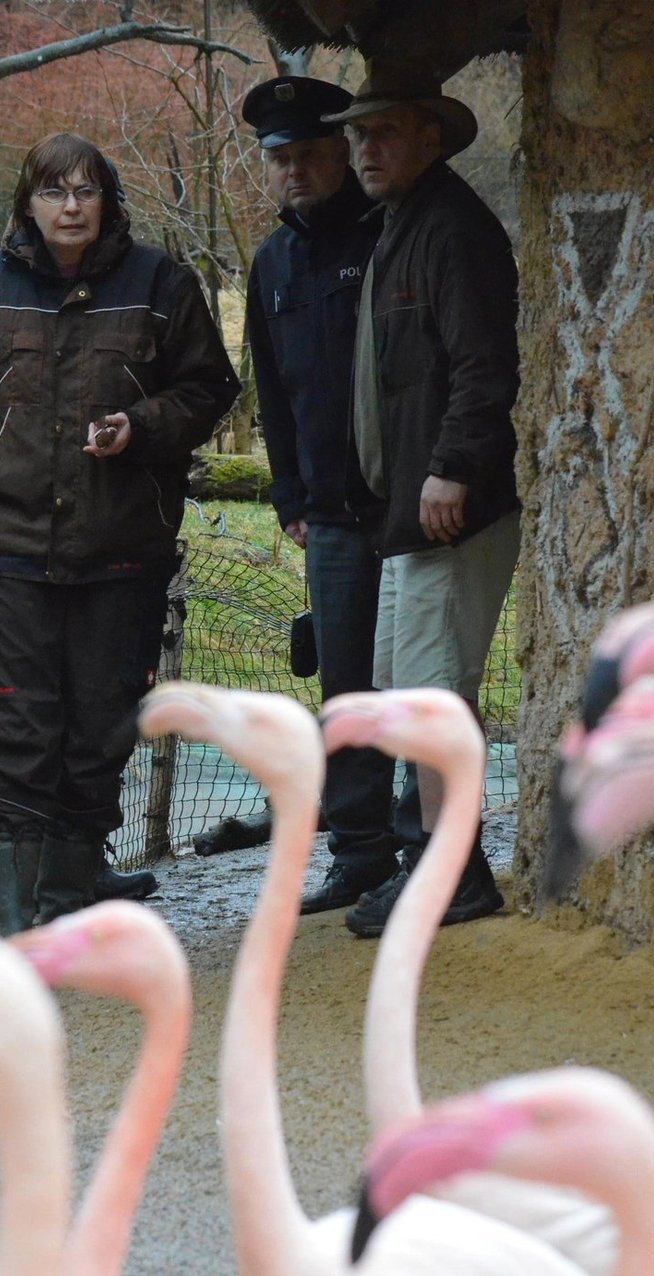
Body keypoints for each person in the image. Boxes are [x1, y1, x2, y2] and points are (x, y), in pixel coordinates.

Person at [0, 132, 240, 934]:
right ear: (29, 202)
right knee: (19, 730)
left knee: (102, 725)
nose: (72, 207)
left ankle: (71, 894)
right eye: (55, 192)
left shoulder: (161, 283)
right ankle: (11, 917)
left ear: (108, 202)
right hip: (12, 551)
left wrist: (143, 424)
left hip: (123, 551)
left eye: (87, 192)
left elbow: (210, 386)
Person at [322, 60, 522, 938]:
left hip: (448, 506)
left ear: (430, 137)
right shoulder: (404, 223)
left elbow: (483, 362)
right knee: (413, 697)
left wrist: (455, 467)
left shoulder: (451, 229)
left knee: (438, 700)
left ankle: (453, 875)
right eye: (358, 135)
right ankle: (436, 862)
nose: (366, 148)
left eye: (386, 132)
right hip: (410, 506)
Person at [242, 75, 421, 915]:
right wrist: (289, 499)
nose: (296, 170)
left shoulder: (389, 234)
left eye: (311, 153)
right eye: (281, 157)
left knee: (416, 683)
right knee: (347, 691)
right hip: (331, 516)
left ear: (340, 152)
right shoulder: (272, 263)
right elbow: (272, 393)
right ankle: (359, 852)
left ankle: (430, 848)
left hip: (408, 504)